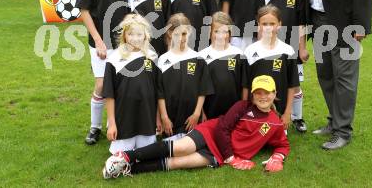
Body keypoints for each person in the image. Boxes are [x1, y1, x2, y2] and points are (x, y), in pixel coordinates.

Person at [102, 75, 290, 179]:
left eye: (267, 93)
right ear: (253, 95)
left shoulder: (275, 122)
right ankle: (126, 156)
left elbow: (283, 144)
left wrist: (277, 158)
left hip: (219, 155)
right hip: (212, 134)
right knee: (181, 148)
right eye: (258, 93)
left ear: (275, 94)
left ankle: (127, 169)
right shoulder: (242, 107)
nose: (263, 97)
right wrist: (231, 158)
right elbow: (222, 128)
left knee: (178, 163)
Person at [297, 0, 372, 150]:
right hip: (318, 22)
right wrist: (304, 22)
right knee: (325, 75)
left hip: (345, 24)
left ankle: (343, 131)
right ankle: (334, 120)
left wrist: (361, 25)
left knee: (345, 79)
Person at [75, 0, 135, 145]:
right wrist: (98, 40)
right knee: (101, 85)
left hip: (122, 43)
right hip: (100, 42)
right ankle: (94, 127)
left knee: (121, 84)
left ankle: (116, 124)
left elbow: (130, 11)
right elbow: (84, 11)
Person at [261, 0, 309, 133]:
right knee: (273, 80)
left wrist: (302, 48)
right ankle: (275, 115)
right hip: (271, 45)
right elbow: (262, 21)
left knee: (295, 84)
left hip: (293, 47)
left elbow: (301, 23)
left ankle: (298, 117)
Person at [102, 14, 160, 154]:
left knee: (146, 156)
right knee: (120, 157)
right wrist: (112, 124)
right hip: (124, 118)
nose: (135, 38)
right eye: (131, 34)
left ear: (145, 36)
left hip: (146, 117)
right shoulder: (114, 58)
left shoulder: (151, 57)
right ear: (124, 36)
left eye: (139, 34)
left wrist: (157, 118)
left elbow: (158, 91)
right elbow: (109, 94)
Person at [157, 13, 214, 141]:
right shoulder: (163, 60)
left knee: (192, 147)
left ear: (189, 32)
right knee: (173, 151)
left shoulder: (198, 58)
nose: (181, 38)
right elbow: (160, 93)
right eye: (176, 34)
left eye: (184, 34)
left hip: (192, 117)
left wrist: (197, 114)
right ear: (170, 34)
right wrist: (164, 117)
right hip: (171, 118)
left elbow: (202, 89)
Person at [244, 5, 300, 131]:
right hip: (255, 110)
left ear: (279, 24)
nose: (268, 27)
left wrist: (287, 113)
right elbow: (245, 85)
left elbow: (292, 85)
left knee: (275, 139)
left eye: (272, 23)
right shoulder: (249, 51)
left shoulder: (288, 51)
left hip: (280, 112)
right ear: (258, 25)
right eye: (264, 24)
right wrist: (245, 111)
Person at [199, 12, 246, 119]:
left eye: (224, 32)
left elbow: (244, 85)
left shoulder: (238, 54)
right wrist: (202, 112)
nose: (220, 36)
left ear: (230, 33)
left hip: (235, 111)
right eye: (216, 31)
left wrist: (243, 107)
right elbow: (199, 89)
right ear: (210, 32)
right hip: (210, 111)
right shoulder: (202, 56)